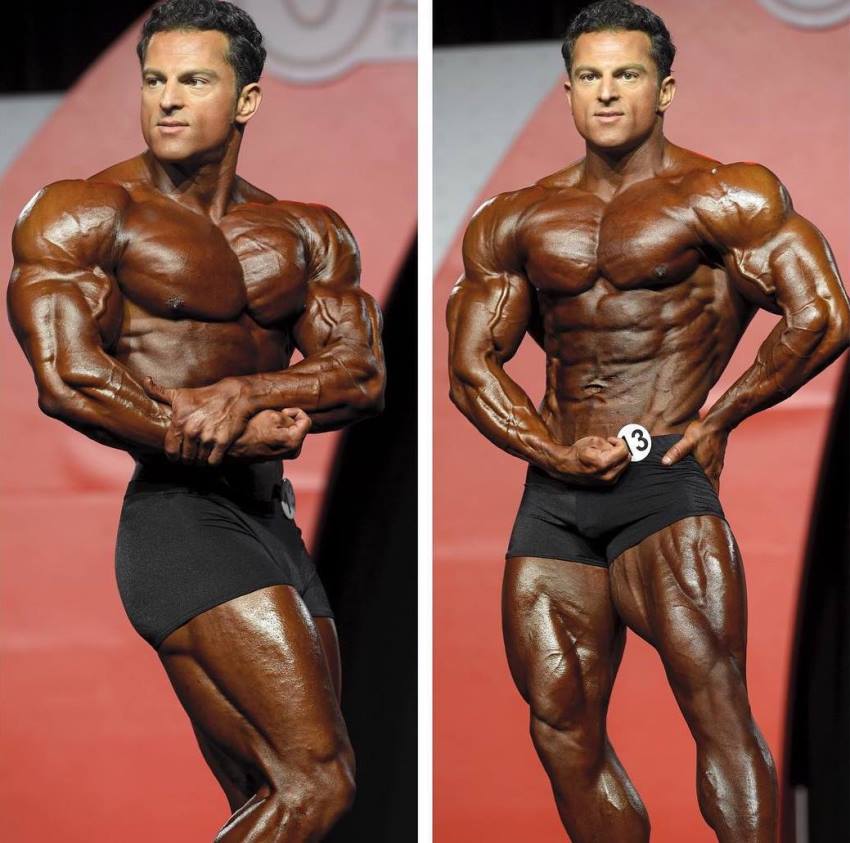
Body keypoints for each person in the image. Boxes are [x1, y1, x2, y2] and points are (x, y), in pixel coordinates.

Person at [446, 1, 849, 841]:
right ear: (566, 90)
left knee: (718, 709)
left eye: (625, 74)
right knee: (561, 727)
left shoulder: (725, 193)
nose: (605, 92)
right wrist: (548, 447)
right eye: (588, 76)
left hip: (661, 480)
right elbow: (470, 366)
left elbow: (822, 314)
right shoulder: (517, 217)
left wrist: (724, 415)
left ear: (664, 87)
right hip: (553, 495)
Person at [7, 0, 385, 839]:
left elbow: (360, 375)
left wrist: (250, 396)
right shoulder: (87, 212)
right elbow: (70, 378)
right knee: (317, 782)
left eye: (194, 80)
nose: (167, 99)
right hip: (182, 521)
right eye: (155, 80)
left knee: (275, 794)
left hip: (271, 524)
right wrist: (226, 429)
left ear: (246, 99)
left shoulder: (304, 232)